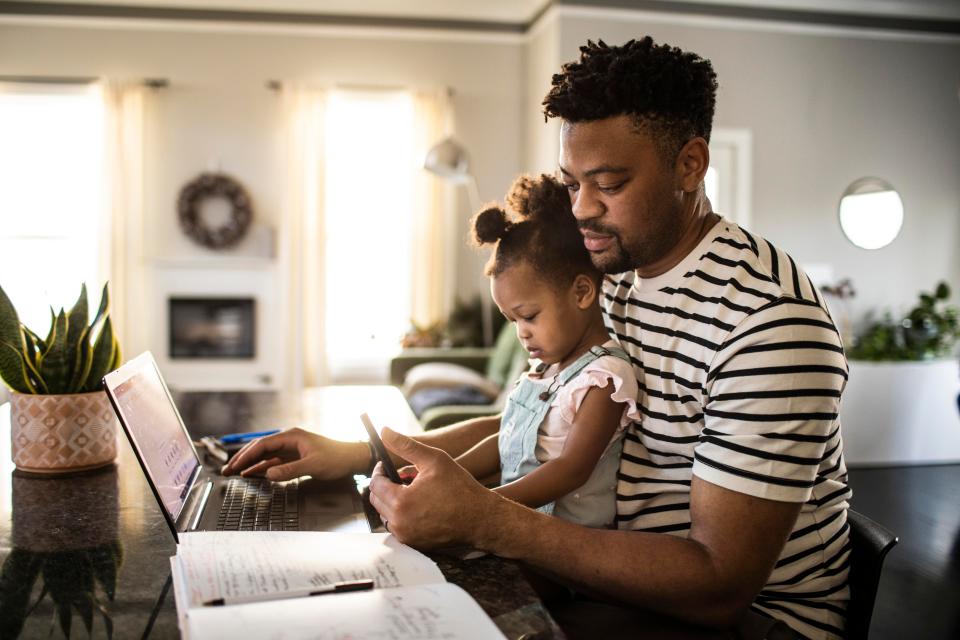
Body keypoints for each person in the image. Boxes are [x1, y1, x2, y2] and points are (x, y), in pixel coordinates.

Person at [224, 37, 850, 640]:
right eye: (573, 183)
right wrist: (365, 457)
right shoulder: (617, 274)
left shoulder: (768, 321)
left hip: (744, 622)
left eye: (608, 184)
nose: (580, 209)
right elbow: (543, 418)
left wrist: (488, 519)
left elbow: (718, 586)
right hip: (603, 580)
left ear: (690, 164)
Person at [445, 173, 639, 528]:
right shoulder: (543, 370)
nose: (522, 333)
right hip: (516, 526)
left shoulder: (604, 378)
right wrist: (445, 474)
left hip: (566, 546)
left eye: (529, 316)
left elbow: (570, 470)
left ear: (582, 292)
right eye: (512, 321)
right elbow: (505, 440)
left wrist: (478, 505)